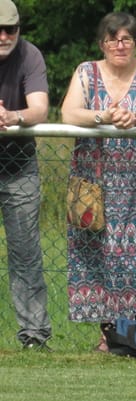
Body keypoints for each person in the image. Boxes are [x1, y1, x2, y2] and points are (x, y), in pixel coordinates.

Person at [61, 11, 136, 351]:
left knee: (131, 254)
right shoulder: (86, 71)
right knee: (94, 251)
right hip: (90, 180)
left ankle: (129, 331)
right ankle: (107, 332)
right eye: (113, 39)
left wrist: (134, 116)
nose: (119, 45)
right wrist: (104, 116)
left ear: (135, 43)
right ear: (103, 43)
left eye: (126, 38)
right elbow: (69, 113)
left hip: (132, 183)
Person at [0, 0, 52, 350]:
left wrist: (13, 117)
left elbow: (40, 109)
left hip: (18, 167)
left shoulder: (30, 55)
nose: (4, 36)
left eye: (11, 30)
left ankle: (34, 336)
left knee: (25, 253)